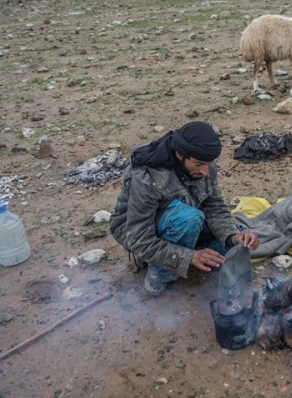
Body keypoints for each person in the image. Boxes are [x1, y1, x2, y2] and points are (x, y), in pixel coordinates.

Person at [110, 121, 259, 296]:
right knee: (189, 219)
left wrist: (232, 235)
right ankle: (159, 276)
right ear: (180, 154)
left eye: (208, 164)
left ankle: (187, 251)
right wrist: (189, 257)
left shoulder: (205, 167)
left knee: (235, 247)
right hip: (141, 231)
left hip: (185, 221)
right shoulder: (149, 176)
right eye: (199, 164)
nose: (205, 171)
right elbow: (138, 237)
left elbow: (214, 207)